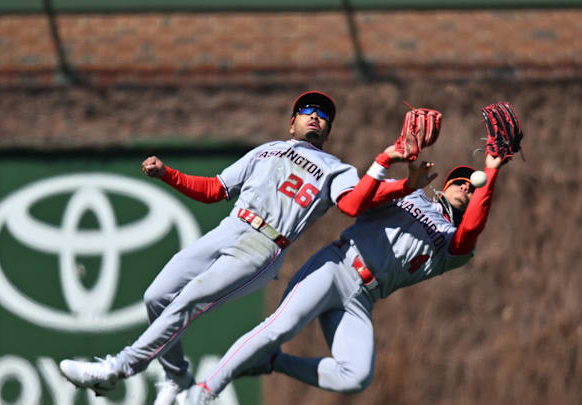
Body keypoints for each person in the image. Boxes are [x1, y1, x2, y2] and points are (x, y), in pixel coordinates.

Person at [58, 91, 434, 405]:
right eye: (307, 111)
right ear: (292, 123)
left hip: (264, 243)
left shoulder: (336, 168)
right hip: (230, 227)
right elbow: (214, 190)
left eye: (323, 115)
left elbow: (354, 204)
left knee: (189, 300)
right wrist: (167, 174)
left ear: (329, 130)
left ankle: (117, 369)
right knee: (156, 296)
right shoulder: (267, 150)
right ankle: (176, 377)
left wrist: (397, 177)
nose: (315, 117)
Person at [184, 150, 510, 404]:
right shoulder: (412, 197)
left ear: (478, 200)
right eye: (459, 182)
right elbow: (360, 201)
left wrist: (492, 170)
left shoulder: (456, 246)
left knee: (356, 376)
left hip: (363, 298)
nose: (465, 187)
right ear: (445, 185)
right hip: (337, 266)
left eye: (471, 187)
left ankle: (274, 363)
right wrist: (407, 183)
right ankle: (205, 390)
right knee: (280, 327)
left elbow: (470, 231)